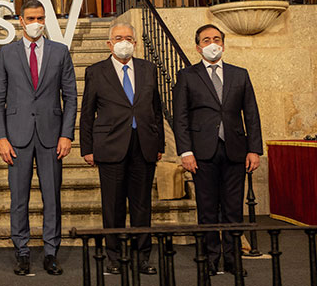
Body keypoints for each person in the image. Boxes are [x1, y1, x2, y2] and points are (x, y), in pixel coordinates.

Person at [0, 0, 76, 276]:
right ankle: (22, 251)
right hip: (16, 136)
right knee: (19, 198)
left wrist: (67, 134)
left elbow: (71, 97)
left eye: (40, 17)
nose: (36, 22)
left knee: (51, 197)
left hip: (52, 136)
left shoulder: (60, 51)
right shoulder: (6, 53)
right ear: (21, 20)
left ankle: (51, 251)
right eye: (31, 18)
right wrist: (1, 137)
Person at [173, 24, 262, 277]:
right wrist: (185, 152)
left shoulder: (240, 74)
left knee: (234, 208)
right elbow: (180, 117)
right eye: (206, 40)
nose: (212, 43)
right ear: (198, 47)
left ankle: (233, 258)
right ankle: (210, 258)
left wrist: (254, 149)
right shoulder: (187, 76)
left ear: (223, 44)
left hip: (235, 150)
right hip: (202, 152)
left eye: (216, 39)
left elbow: (252, 115)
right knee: (207, 207)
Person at [79, 22, 164, 276]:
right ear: (109, 43)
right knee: (113, 206)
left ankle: (143, 257)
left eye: (128, 37)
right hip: (109, 147)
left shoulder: (149, 69)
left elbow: (156, 110)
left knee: (142, 206)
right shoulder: (96, 71)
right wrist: (87, 148)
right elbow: (87, 113)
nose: (124, 41)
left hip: (144, 147)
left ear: (135, 43)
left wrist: (159, 143)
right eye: (118, 37)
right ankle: (114, 256)